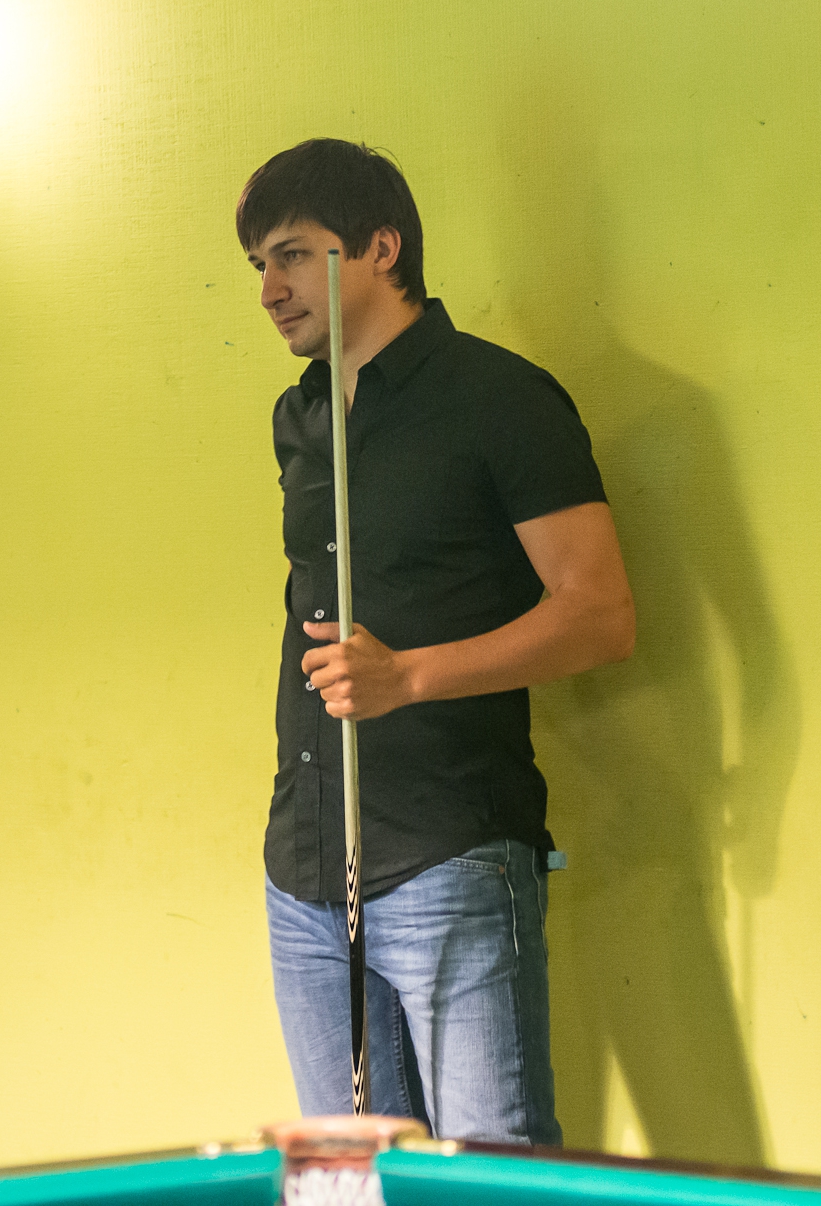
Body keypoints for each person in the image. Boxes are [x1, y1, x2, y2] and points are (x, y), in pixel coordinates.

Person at [239, 139, 636, 1143]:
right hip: (305, 864)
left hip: (450, 853)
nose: (270, 290)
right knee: (347, 1180)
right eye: (260, 265)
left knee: (490, 1176)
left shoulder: (501, 397)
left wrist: (408, 676)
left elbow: (600, 612)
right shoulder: (301, 414)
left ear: (382, 248)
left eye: (293, 255)